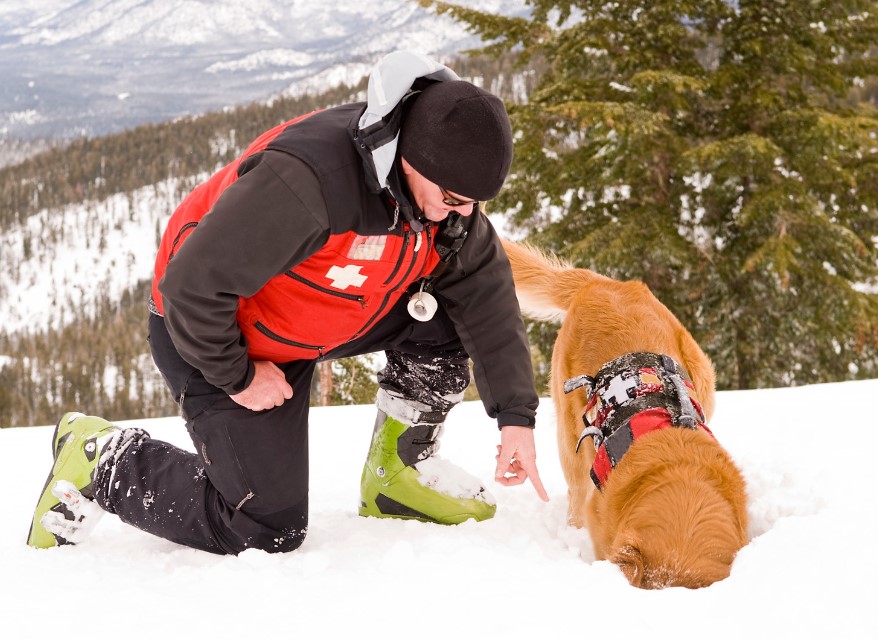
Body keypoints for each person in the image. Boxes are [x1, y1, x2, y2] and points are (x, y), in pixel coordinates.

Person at [27, 50, 549, 555]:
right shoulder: (310, 183)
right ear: (409, 159)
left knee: (448, 319)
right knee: (263, 528)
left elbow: (485, 296)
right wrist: (239, 376)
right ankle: (101, 460)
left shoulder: (443, 203)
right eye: (455, 198)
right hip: (216, 333)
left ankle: (399, 471)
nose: (464, 213)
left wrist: (516, 420)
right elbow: (190, 287)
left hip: (325, 315)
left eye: (476, 202)